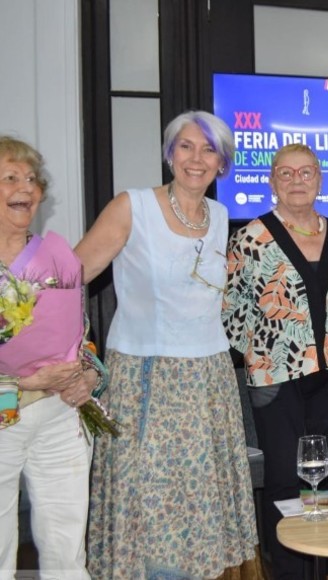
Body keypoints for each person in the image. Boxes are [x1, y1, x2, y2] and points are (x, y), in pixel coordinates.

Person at [76, 111, 261, 579]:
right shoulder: (132, 206)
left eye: (208, 149)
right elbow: (70, 278)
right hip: (147, 378)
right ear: (169, 153)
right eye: (185, 146)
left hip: (208, 380)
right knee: (149, 498)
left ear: (222, 162)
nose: (196, 159)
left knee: (199, 502)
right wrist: (76, 354)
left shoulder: (220, 216)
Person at [222, 143, 328, 580]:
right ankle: (293, 573)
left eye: (305, 172)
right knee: (284, 477)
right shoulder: (250, 238)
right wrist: (259, 351)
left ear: (319, 178)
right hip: (275, 377)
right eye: (286, 173)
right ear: (271, 181)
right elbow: (229, 310)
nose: (296, 181)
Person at [0, 136, 107, 579]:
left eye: (31, 179)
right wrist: (22, 384)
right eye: (10, 177)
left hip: (60, 414)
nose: (25, 188)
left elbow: (82, 337)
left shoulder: (56, 256)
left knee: (66, 548)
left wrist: (88, 374)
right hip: (3, 413)